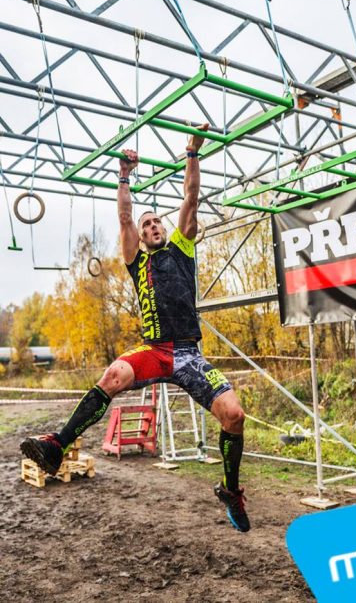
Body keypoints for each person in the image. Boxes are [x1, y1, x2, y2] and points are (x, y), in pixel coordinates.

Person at [20, 125, 250, 533]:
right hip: (154, 351)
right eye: (147, 225)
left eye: (157, 222)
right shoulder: (136, 260)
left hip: (188, 354)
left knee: (234, 415)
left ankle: (231, 491)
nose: (153, 226)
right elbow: (125, 215)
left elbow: (191, 197)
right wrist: (124, 175)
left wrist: (192, 152)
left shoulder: (182, 248)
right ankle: (57, 444)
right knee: (113, 375)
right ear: (140, 237)